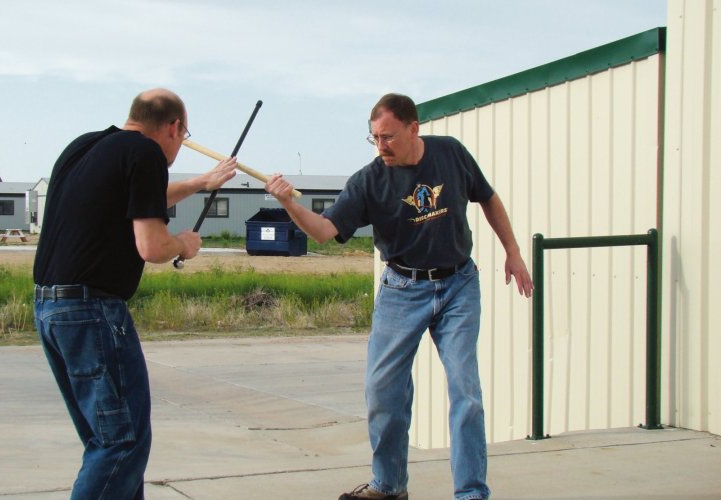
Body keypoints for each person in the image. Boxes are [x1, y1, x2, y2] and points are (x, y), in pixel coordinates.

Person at [264, 93, 534, 500]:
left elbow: (488, 197)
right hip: (401, 290)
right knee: (383, 392)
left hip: (458, 284)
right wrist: (287, 203)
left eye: (388, 136)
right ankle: (388, 487)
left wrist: (513, 252)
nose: (380, 146)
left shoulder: (451, 154)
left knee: (466, 391)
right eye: (373, 138)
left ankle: (471, 493)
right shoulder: (369, 181)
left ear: (413, 128)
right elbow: (324, 231)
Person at [32, 88, 236, 499]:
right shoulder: (146, 154)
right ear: (175, 127)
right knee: (120, 444)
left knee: (105, 440)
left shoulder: (84, 147)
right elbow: (152, 246)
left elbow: (137, 200)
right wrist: (184, 245)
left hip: (50, 309)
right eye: (184, 135)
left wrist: (201, 182)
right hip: (93, 311)